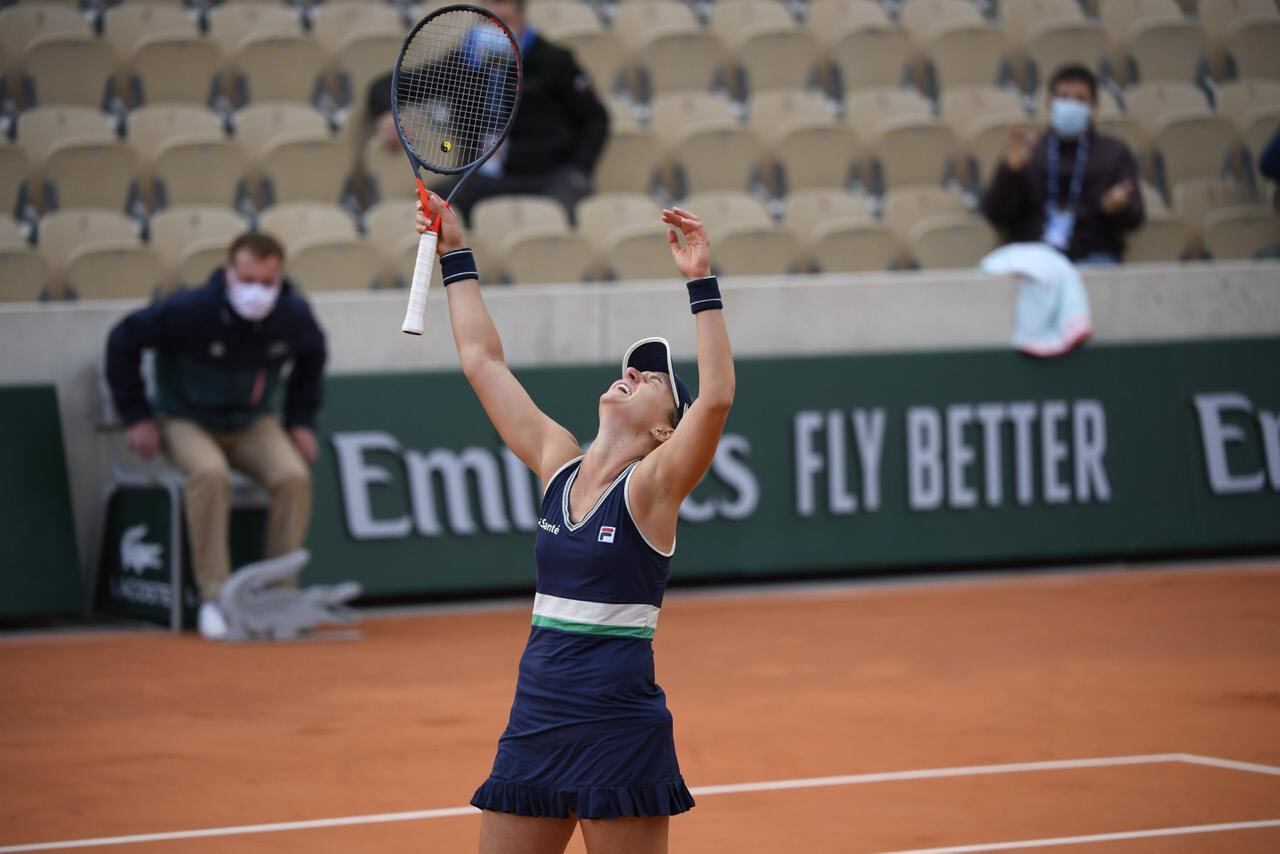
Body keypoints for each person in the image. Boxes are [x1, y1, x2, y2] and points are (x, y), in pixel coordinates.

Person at [415, 190, 732, 853]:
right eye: (632, 368)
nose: (631, 373)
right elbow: (483, 362)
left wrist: (701, 282)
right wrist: (455, 252)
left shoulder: (651, 490)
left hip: (617, 731)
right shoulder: (557, 462)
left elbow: (719, 398)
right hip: (537, 719)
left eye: (651, 380)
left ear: (663, 432)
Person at [105, 233, 327, 640]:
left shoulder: (292, 314)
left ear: (279, 279)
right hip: (185, 419)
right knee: (209, 473)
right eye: (248, 280)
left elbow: (313, 356)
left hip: (251, 423)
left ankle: (277, 599)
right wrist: (136, 414)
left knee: (293, 477)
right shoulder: (190, 310)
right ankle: (216, 598)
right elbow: (123, 340)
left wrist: (300, 420)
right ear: (229, 274)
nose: (256, 291)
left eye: (266, 282)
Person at [368, 0, 609, 225]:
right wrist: (387, 113)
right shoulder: (463, 62)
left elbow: (595, 119)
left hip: (546, 176)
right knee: (432, 208)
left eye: (504, 10)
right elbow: (388, 85)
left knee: (563, 209)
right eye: (489, 15)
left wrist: (579, 170)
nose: (496, 22)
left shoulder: (554, 60)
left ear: (520, 13)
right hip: (481, 179)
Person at [981, 64, 1145, 266]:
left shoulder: (1114, 154)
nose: (1070, 104)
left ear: (1094, 106)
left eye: (1080, 99)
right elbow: (995, 215)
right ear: (1049, 102)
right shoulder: (1030, 151)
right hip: (1034, 257)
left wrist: (1116, 207)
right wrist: (1009, 173)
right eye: (1063, 97)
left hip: (1092, 256)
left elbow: (1135, 218)